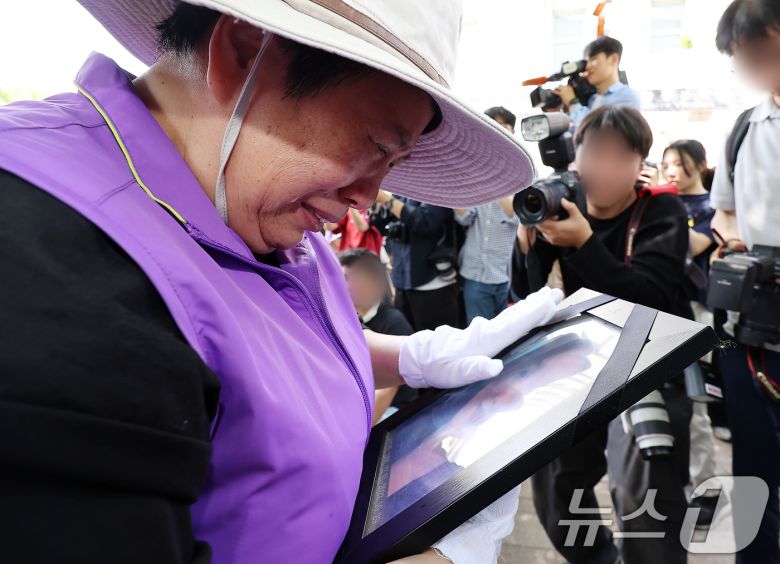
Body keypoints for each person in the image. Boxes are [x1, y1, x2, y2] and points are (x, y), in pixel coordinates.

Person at [0, 1, 564, 563]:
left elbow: (247, 339)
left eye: (390, 168)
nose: (364, 199)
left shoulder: (248, 194)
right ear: (244, 51)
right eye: (374, 147)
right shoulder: (47, 259)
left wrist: (409, 355)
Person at [512, 105, 693, 564]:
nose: (605, 168)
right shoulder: (562, 204)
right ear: (577, 157)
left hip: (653, 363)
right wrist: (527, 246)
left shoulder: (661, 209)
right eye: (595, 154)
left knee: (643, 494)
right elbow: (527, 295)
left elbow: (650, 297)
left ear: (640, 164)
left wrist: (585, 245)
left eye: (621, 156)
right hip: (587, 361)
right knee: (555, 482)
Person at [711, 1, 780, 561]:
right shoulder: (744, 128)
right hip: (752, 331)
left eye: (767, 53)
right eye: (747, 60)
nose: (760, 69)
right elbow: (723, 212)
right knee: (754, 474)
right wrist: (736, 243)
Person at [662, 139, 722, 528]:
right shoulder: (657, 202)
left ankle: (706, 491)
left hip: (696, 316)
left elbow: (690, 245)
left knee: (697, 405)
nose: (671, 171)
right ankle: (674, 484)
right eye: (666, 164)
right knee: (669, 406)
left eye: (679, 165)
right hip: (658, 311)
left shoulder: (712, 210)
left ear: (700, 165)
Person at [455, 106, 520, 324]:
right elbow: (465, 217)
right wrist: (457, 184)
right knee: (479, 339)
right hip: (475, 274)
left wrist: (495, 175)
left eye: (504, 128)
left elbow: (515, 216)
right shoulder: (474, 172)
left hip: (505, 275)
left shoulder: (522, 173)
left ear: (513, 133)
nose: (499, 133)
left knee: (508, 340)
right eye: (492, 127)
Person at [339, 248, 416, 424]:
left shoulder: (394, 323)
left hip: (394, 410)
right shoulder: (343, 319)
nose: (349, 286)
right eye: (344, 278)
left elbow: (386, 392)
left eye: (356, 278)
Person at [374, 190, 462, 331]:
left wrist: (387, 200)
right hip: (403, 280)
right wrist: (377, 208)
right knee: (409, 339)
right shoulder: (400, 191)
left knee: (438, 345)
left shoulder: (439, 188)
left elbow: (424, 221)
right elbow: (386, 227)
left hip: (433, 282)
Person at [555, 36, 641, 128]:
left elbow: (595, 130)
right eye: (586, 62)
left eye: (593, 60)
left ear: (614, 59)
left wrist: (572, 102)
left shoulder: (627, 97)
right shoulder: (593, 99)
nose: (588, 67)